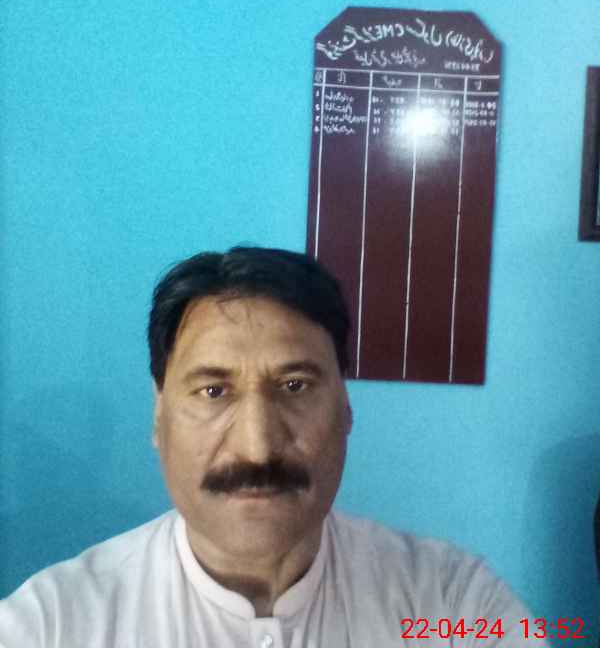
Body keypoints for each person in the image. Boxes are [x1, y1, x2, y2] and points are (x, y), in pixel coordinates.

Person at [0, 247, 545, 647]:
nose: (257, 446)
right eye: (214, 392)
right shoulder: (49, 625)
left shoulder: (453, 607)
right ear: (159, 415)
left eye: (295, 386)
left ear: (346, 407)